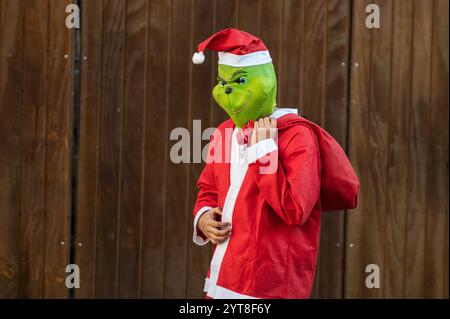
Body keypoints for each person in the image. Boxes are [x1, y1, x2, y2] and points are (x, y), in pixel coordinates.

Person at [191, 28, 359, 299]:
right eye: (222, 82)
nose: (227, 90)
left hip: (271, 288)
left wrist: (263, 151)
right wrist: (204, 217)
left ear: (265, 82)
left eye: (239, 80)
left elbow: (295, 209)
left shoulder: (297, 136)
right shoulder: (223, 132)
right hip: (222, 280)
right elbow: (208, 188)